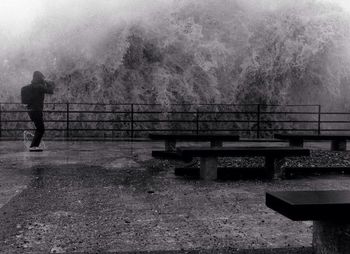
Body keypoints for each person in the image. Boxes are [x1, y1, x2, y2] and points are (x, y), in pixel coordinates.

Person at [26, 71, 55, 151]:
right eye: (42, 77)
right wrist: (48, 83)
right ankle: (33, 147)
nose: (43, 79)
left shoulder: (31, 86)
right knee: (40, 129)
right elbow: (51, 91)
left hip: (30, 110)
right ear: (39, 77)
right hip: (36, 110)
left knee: (39, 128)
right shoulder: (39, 87)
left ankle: (34, 146)